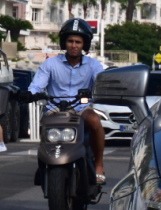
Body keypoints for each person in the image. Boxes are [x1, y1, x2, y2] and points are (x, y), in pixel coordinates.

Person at [29, 17, 107, 183]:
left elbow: (101, 82)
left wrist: (104, 91)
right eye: (70, 41)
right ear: (64, 43)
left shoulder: (94, 65)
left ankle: (99, 164)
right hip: (54, 108)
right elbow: (36, 86)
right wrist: (30, 93)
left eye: (78, 42)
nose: (73, 45)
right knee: (45, 129)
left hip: (81, 108)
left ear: (84, 44)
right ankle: (43, 164)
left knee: (94, 120)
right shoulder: (50, 64)